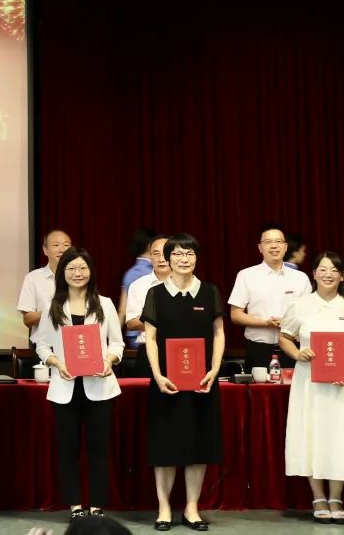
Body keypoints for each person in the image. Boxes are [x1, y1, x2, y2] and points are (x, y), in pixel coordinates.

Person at [142, 233, 224, 532]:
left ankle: (191, 507)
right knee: (165, 447)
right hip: (166, 383)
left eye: (189, 253)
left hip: (202, 383)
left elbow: (218, 333)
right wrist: (157, 374)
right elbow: (150, 338)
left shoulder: (209, 292)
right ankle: (164, 507)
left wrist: (214, 369)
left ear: (196, 258)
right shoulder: (156, 294)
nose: (183, 259)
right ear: (167, 259)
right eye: (177, 254)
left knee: (198, 446)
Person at [34, 248, 123, 521]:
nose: (77, 273)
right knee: (68, 449)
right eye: (71, 268)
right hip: (65, 387)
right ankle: (75, 506)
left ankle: (96, 505)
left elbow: (117, 343)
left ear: (91, 271)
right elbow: (41, 344)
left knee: (99, 448)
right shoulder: (53, 305)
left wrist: (109, 360)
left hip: (100, 386)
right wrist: (56, 362)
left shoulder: (104, 304)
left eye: (82, 268)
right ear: (63, 273)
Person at [280, 251, 344, 525]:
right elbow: (285, 336)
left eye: (334, 270)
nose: (327, 274)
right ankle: (318, 497)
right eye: (322, 269)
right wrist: (297, 353)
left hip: (342, 385)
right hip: (308, 383)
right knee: (311, 434)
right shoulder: (300, 305)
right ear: (313, 274)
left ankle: (336, 497)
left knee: (339, 436)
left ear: (342, 276)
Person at [229, 224, 312, 370]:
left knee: (292, 385)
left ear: (285, 247)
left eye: (278, 241)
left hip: (293, 348)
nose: (274, 246)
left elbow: (309, 315)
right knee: (257, 385)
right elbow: (235, 315)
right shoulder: (246, 275)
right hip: (258, 349)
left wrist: (288, 323)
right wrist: (265, 323)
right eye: (268, 242)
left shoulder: (301, 278)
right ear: (260, 247)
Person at [125, 235, 171, 376]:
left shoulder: (186, 284)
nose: (161, 259)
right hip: (147, 350)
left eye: (165, 253)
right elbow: (131, 323)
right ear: (150, 256)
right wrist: (164, 320)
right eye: (156, 254)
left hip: (178, 347)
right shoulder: (138, 285)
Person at [19, 229, 72, 336]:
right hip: (46, 343)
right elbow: (27, 320)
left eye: (66, 245)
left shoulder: (80, 276)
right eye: (56, 245)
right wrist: (53, 312)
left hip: (76, 339)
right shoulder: (33, 278)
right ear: (45, 250)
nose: (62, 249)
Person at [117, 227, 155, 324]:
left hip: (133, 329)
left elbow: (122, 310)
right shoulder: (154, 272)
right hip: (149, 328)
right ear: (150, 246)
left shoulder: (130, 273)